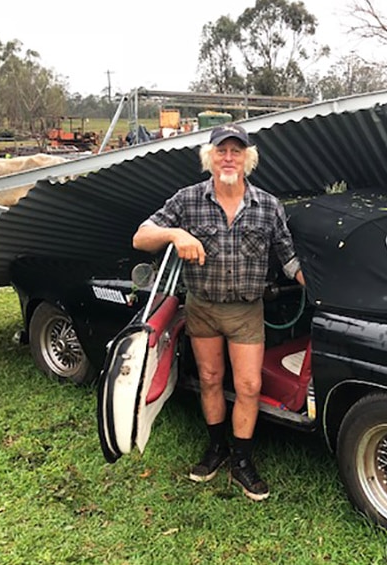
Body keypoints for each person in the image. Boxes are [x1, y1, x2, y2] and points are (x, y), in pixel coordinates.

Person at [132, 123, 304, 501]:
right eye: (221, 151)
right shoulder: (188, 200)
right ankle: (216, 448)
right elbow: (141, 236)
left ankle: (242, 460)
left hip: (246, 311)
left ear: (248, 159)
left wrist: (311, 282)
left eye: (236, 151)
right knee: (210, 379)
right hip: (203, 308)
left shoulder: (269, 206)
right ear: (209, 158)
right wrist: (177, 235)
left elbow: (288, 256)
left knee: (248, 386)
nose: (228, 157)